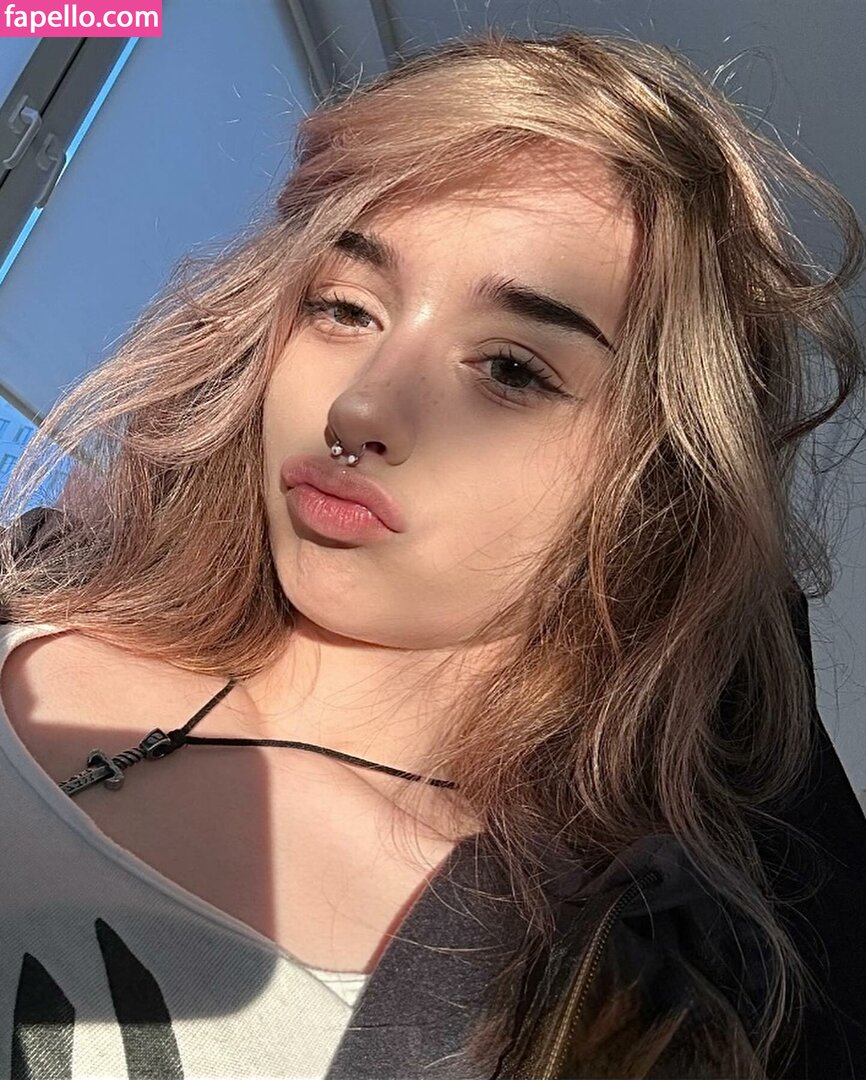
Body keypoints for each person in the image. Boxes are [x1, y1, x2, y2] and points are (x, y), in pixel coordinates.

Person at [0, 25, 864, 1080]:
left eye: (510, 369)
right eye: (343, 308)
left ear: (659, 485)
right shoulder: (29, 596)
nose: (360, 408)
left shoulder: (564, 1014)